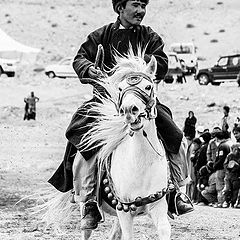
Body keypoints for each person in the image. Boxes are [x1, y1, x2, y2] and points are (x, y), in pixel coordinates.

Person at [48, 0, 193, 230]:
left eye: (143, 6)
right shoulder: (100, 35)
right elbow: (79, 59)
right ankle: (89, 201)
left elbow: (162, 62)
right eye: (136, 5)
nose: (141, 11)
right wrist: (89, 69)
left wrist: (138, 65)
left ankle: (175, 191)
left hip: (142, 101)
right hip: (105, 101)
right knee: (80, 139)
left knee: (174, 135)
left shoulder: (150, 36)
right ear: (119, 8)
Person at [212, 131, 232, 208]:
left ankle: (221, 201)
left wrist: (215, 166)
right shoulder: (227, 144)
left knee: (220, 186)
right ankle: (225, 201)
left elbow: (221, 159)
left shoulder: (222, 146)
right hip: (225, 168)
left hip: (220, 169)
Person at [222, 143, 240, 208]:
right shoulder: (229, 156)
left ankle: (233, 202)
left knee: (235, 190)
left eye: (238, 149)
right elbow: (225, 165)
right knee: (227, 189)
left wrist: (237, 166)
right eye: (235, 149)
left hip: (237, 175)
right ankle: (226, 201)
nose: (236, 151)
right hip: (229, 175)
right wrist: (228, 166)